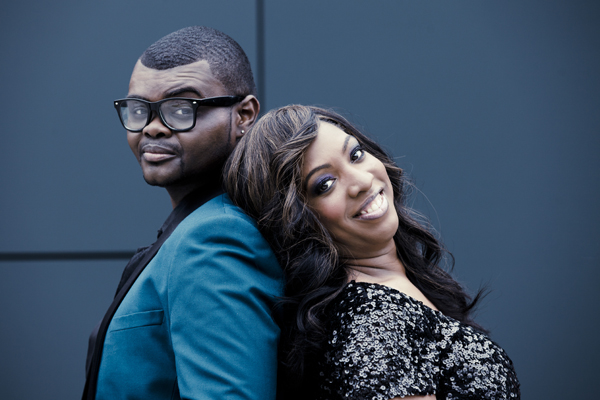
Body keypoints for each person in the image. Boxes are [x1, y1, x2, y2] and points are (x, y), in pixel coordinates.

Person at [224, 105, 520, 400]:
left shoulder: (396, 291)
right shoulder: (374, 324)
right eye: (325, 184)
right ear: (296, 222)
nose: (363, 181)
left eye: (355, 155)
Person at [82, 27, 283, 400]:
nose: (152, 128)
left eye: (180, 108)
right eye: (138, 109)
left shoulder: (216, 239)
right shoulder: (199, 228)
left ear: (244, 115)